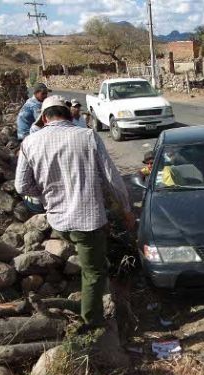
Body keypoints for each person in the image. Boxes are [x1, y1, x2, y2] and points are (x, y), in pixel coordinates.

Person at [15, 96, 135, 332]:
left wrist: (46, 195)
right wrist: (127, 210)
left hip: (58, 221)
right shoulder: (87, 136)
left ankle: (84, 294)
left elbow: (21, 186)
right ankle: (92, 322)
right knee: (95, 271)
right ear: (69, 114)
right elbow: (112, 180)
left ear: (44, 117)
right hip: (87, 221)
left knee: (88, 254)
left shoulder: (30, 142)